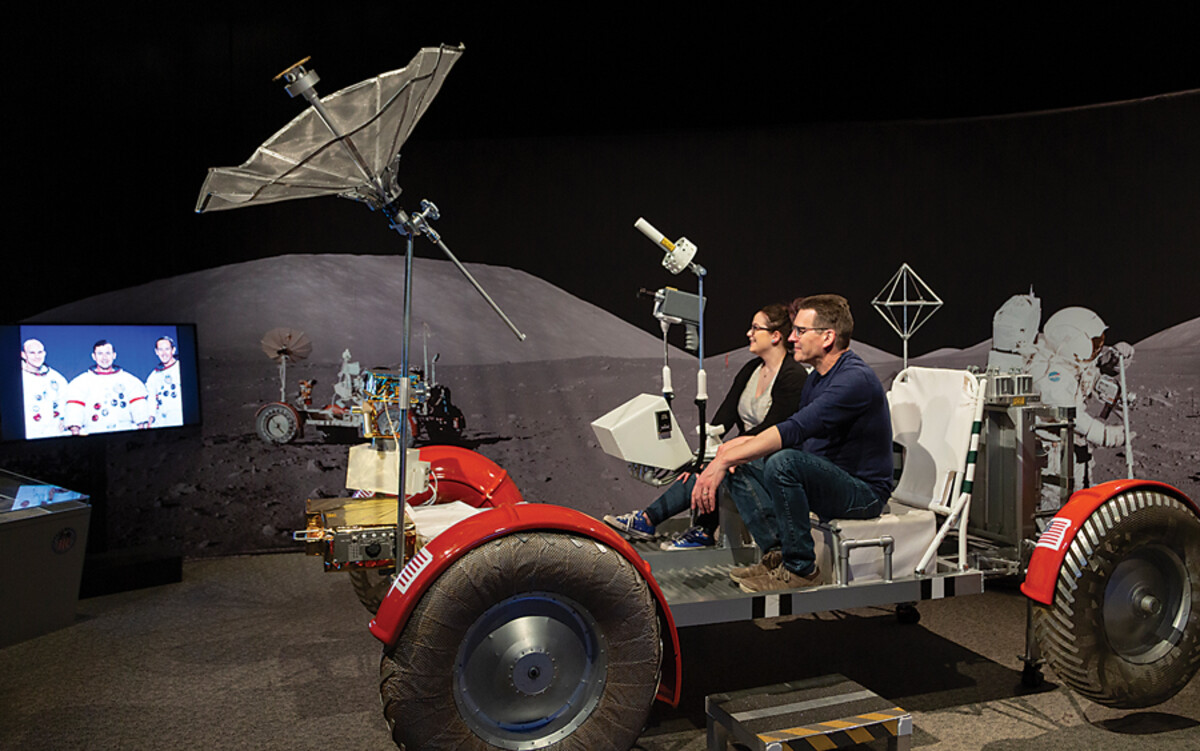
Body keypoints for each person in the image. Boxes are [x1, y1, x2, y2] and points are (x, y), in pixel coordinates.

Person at [691, 294, 894, 592]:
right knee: (742, 463)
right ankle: (778, 555)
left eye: (800, 331)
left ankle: (802, 570)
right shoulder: (816, 379)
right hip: (828, 478)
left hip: (863, 493)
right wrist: (732, 453)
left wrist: (724, 459)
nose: (791, 338)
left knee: (781, 462)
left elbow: (795, 429)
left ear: (827, 337)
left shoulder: (854, 380)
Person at [604, 303, 806, 550]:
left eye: (755, 328)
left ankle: (695, 527)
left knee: (721, 464)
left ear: (775, 336)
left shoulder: (793, 376)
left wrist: (724, 454)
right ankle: (664, 523)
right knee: (703, 465)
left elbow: (772, 428)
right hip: (745, 450)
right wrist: (703, 454)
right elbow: (726, 414)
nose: (749, 333)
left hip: (773, 455)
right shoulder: (751, 369)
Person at [1026, 306, 1133, 506]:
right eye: (1094, 342)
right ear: (1075, 343)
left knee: (1082, 499)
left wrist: (1116, 360)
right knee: (1056, 507)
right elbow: (1069, 413)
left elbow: (1097, 371)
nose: (1098, 347)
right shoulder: (1049, 374)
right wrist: (1105, 435)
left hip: (1073, 446)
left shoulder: (1070, 362)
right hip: (1054, 454)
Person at [64, 340, 150, 435]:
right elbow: (75, 410)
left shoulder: (130, 380)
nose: (104, 357)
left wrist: (141, 433)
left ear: (114, 355)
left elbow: (139, 408)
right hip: (94, 432)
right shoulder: (81, 382)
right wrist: (75, 432)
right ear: (94, 356)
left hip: (124, 431)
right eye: (100, 353)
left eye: (108, 353)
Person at [20, 338, 69, 439]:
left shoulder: (56, 378)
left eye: (40, 352)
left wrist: (63, 419)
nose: (37, 356)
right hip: (28, 433)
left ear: (44, 353)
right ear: (23, 355)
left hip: (53, 433)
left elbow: (65, 401)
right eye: (32, 353)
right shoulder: (17, 377)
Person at [146, 336, 183, 427]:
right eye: (160, 350)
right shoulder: (153, 376)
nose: (164, 353)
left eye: (167, 349)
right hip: (163, 421)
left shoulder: (181, 368)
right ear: (156, 352)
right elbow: (151, 399)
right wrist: (150, 417)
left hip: (180, 418)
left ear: (173, 350)